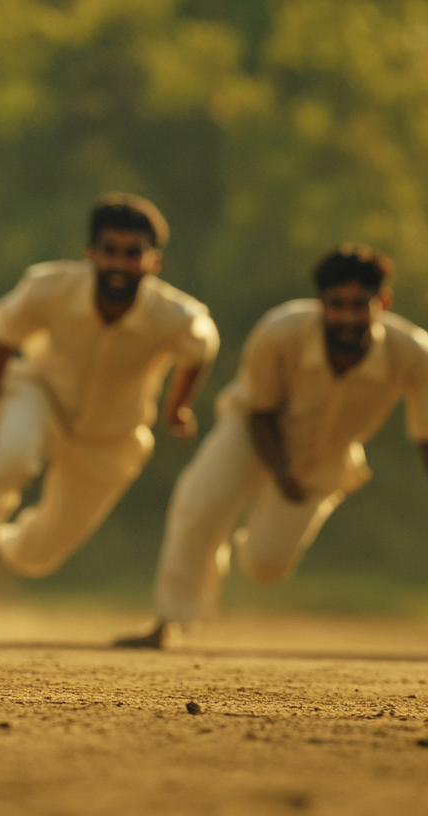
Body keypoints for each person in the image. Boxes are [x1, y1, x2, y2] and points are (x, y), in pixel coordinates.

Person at [116, 245, 428, 648]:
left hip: (327, 455)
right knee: (201, 501)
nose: (347, 317)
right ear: (321, 303)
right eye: (337, 305)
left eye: (359, 305)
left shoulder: (414, 353)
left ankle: (250, 540)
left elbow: (426, 435)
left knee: (265, 565)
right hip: (251, 431)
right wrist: (281, 470)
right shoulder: (280, 330)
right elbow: (260, 409)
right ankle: (167, 622)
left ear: (382, 302)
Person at [0, 193, 219, 615]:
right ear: (91, 253)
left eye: (133, 254)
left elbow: (201, 352)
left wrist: (178, 407)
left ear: (153, 261)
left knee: (39, 556)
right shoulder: (49, 288)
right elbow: (2, 345)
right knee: (12, 456)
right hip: (41, 395)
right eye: (110, 252)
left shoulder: (176, 315)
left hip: (113, 434)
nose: (120, 264)